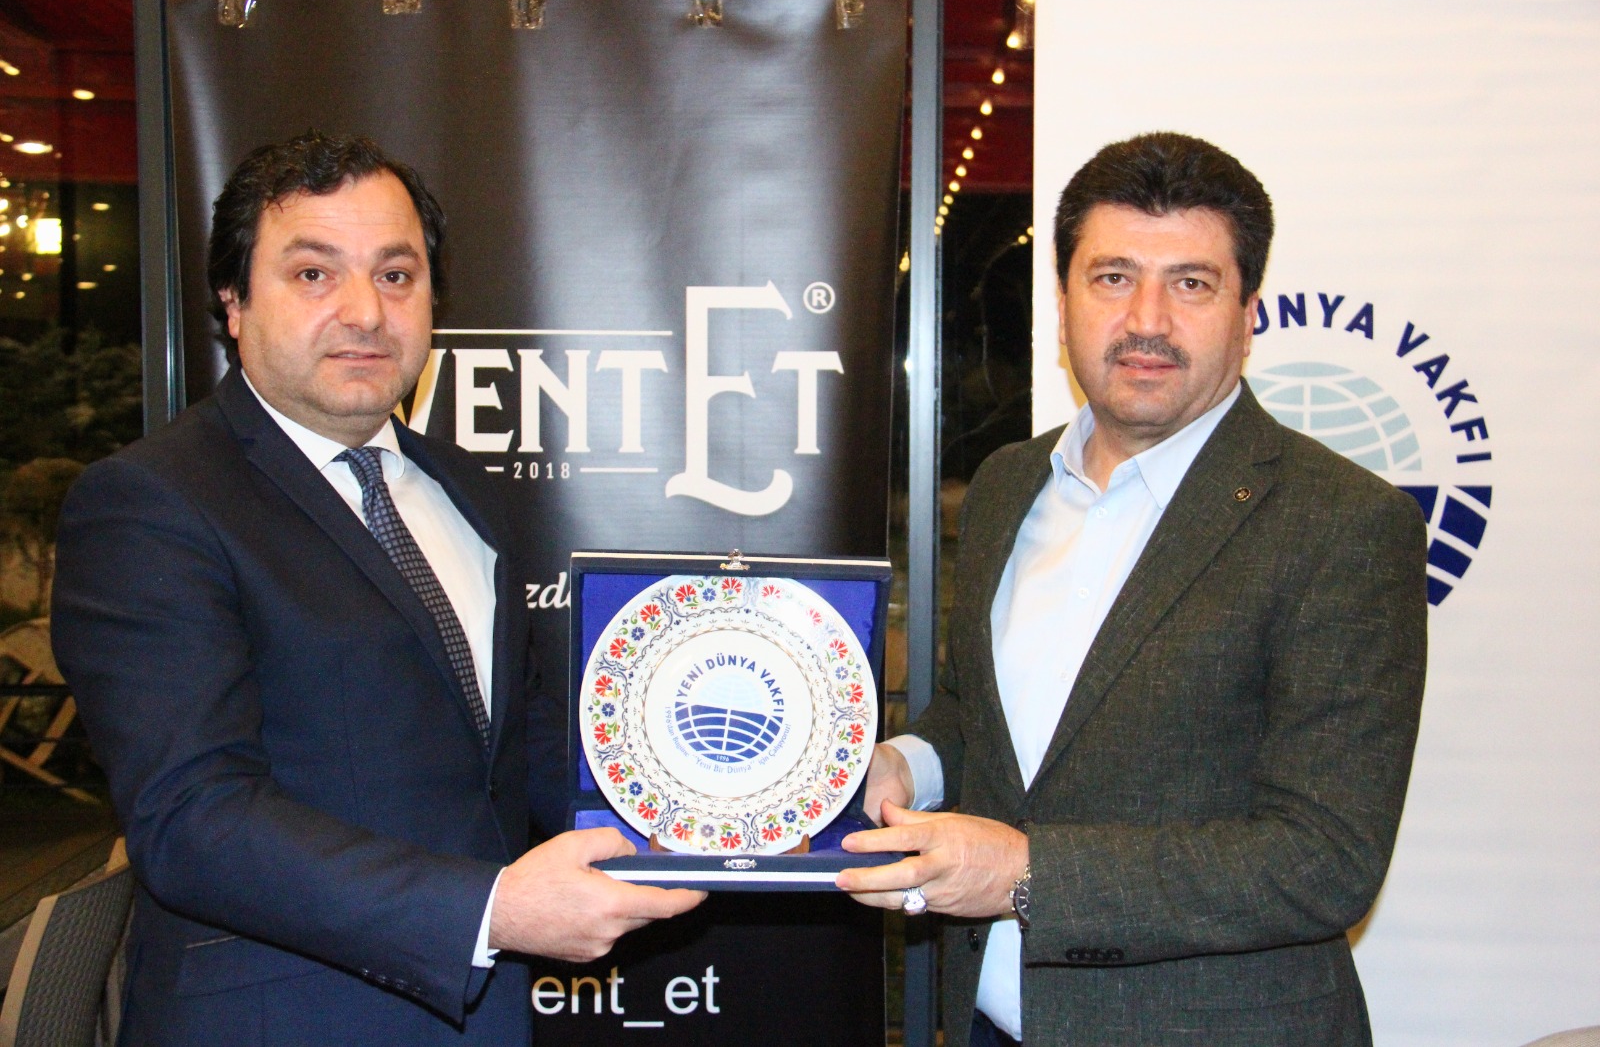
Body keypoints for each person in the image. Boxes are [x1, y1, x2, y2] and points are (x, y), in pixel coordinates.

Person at [50, 131, 703, 1045]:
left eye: (396, 276)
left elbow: (521, 748)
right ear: (233, 301)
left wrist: (734, 800)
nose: (364, 312)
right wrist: (490, 911)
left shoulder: (462, 488)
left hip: (482, 1018)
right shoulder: (150, 502)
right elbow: (192, 820)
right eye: (314, 275)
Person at [837, 132, 1428, 1046]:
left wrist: (1026, 872)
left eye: (1191, 283)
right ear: (1064, 301)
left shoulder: (1343, 522)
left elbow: (1325, 857)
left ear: (1248, 314)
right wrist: (901, 767)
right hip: (989, 1020)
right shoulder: (1007, 484)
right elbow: (977, 715)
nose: (1147, 319)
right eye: (1113, 277)